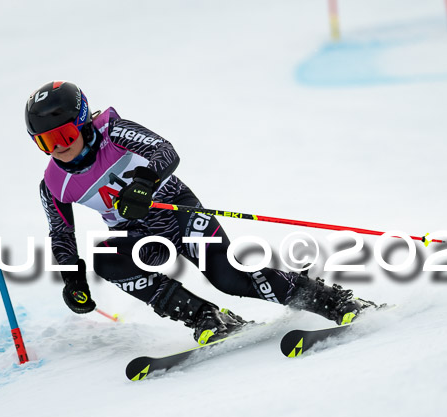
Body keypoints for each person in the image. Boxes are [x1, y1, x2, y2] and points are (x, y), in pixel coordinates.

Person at [26, 81, 375, 345]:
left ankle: (331, 300)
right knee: (106, 258)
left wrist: (144, 184)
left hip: (177, 210)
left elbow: (165, 151)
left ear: (83, 120)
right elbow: (61, 235)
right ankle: (207, 318)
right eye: (45, 142)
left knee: (228, 277)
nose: (59, 148)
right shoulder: (54, 183)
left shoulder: (113, 131)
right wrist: (73, 279)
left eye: (64, 133)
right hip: (140, 235)